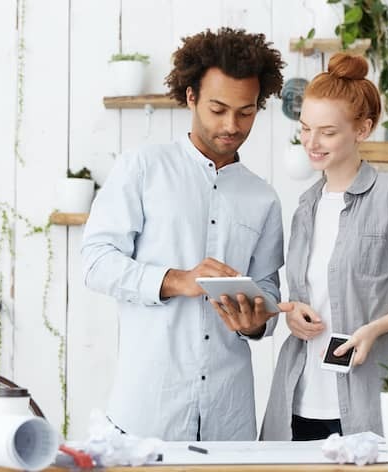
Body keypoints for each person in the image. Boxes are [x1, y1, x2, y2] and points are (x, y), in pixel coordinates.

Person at [81, 27, 286, 441]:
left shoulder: (263, 197)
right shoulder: (142, 168)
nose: (232, 125)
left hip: (229, 419)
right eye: (218, 108)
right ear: (191, 97)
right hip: (148, 412)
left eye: (245, 112)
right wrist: (178, 280)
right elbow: (96, 261)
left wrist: (255, 322)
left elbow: (267, 289)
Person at [260, 53, 388, 441]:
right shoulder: (305, 208)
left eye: (327, 132)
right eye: (305, 128)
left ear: (362, 129)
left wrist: (373, 330)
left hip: (372, 399)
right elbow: (307, 297)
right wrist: (293, 315)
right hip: (300, 397)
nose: (312, 142)